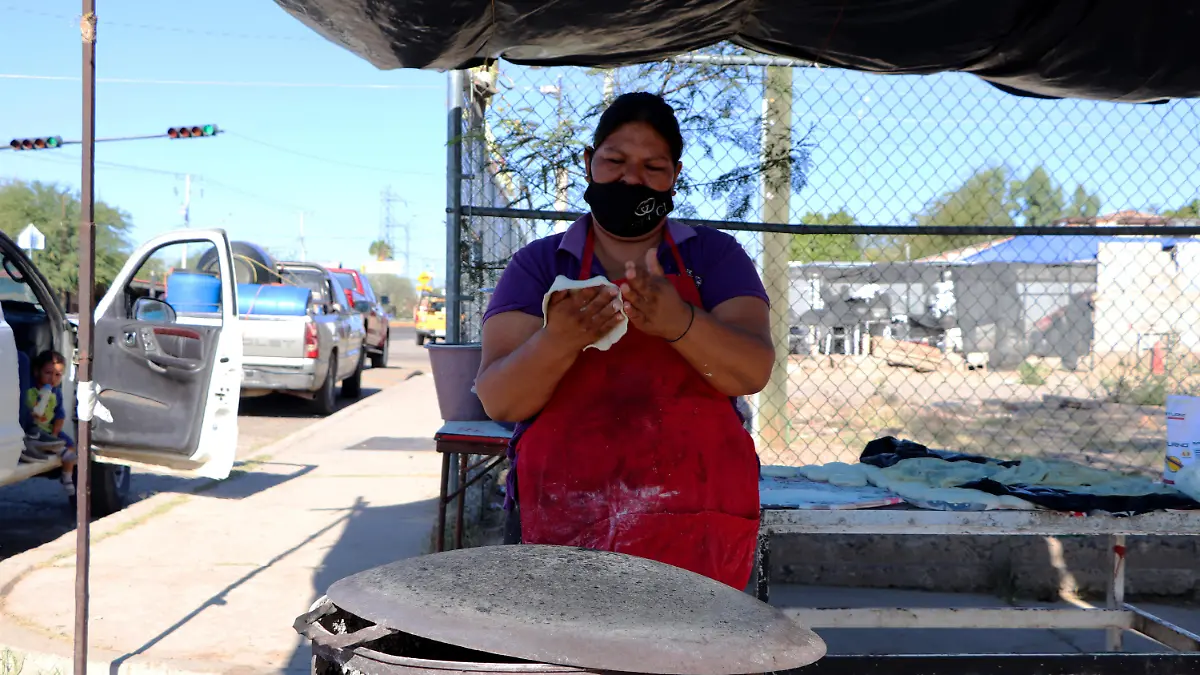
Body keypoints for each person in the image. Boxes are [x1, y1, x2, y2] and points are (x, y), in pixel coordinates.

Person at [477, 92, 773, 589]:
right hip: (563, 515)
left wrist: (680, 322)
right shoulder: (541, 265)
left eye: (652, 166)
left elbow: (751, 372)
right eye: (614, 161)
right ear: (588, 162)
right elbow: (501, 400)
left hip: (698, 518)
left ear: (674, 175)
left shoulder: (714, 258)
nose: (631, 178)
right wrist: (560, 341)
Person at [25, 350, 77, 494]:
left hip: (49, 429)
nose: (52, 379)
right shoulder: (29, 388)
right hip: (32, 428)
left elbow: (60, 416)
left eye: (57, 375)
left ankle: (67, 476)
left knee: (71, 445)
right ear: (37, 372)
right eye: (48, 373)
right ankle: (54, 448)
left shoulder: (56, 393)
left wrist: (54, 434)